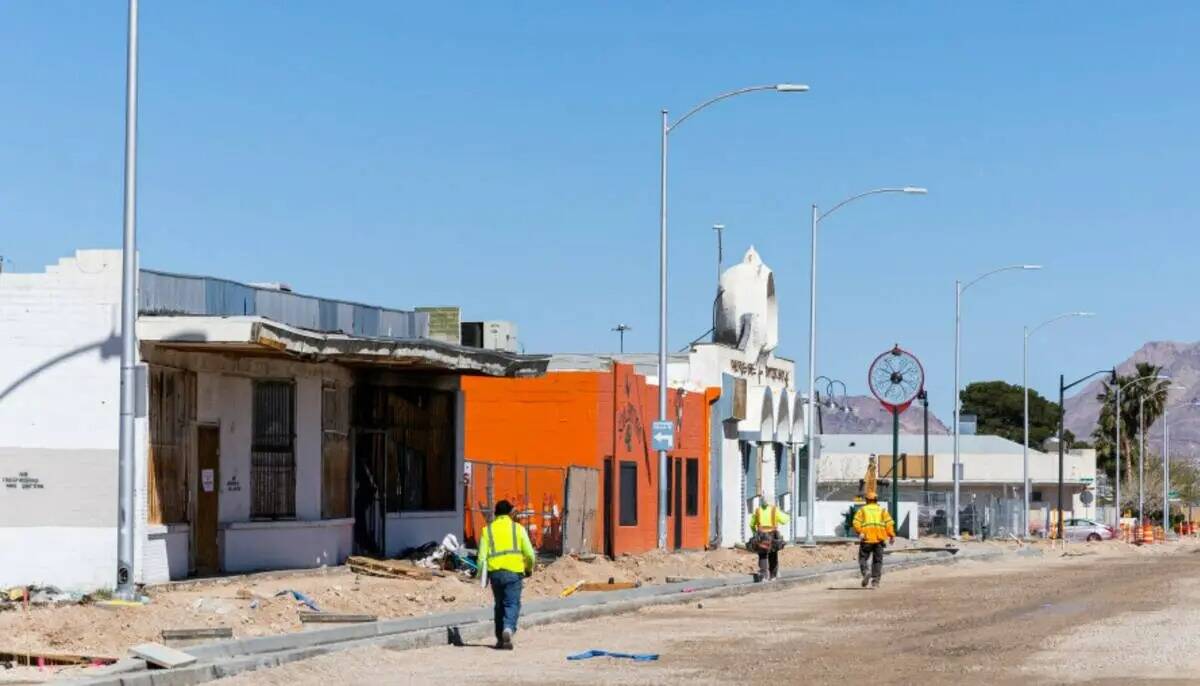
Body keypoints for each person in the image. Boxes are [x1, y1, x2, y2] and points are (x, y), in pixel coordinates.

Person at [478, 499, 536, 650]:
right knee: (512, 603)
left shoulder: (487, 530)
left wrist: (481, 576)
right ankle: (508, 628)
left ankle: (500, 639)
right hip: (514, 572)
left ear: (496, 514)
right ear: (510, 513)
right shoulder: (518, 529)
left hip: (495, 573)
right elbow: (530, 554)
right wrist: (529, 568)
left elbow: (481, 558)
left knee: (499, 605)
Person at [851, 491, 895, 589]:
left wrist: (860, 532)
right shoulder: (882, 510)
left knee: (862, 558)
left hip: (867, 538)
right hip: (879, 539)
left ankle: (866, 572)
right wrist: (891, 535)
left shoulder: (862, 510)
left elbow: (855, 522)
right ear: (876, 500)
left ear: (867, 500)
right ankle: (875, 582)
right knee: (877, 561)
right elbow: (889, 524)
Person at [748, 500, 789, 581]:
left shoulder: (758, 510)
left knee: (763, 555)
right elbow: (784, 521)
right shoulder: (775, 510)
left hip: (762, 536)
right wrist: (787, 514)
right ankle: (773, 575)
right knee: (773, 554)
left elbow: (751, 524)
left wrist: (754, 532)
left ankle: (764, 575)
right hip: (772, 535)